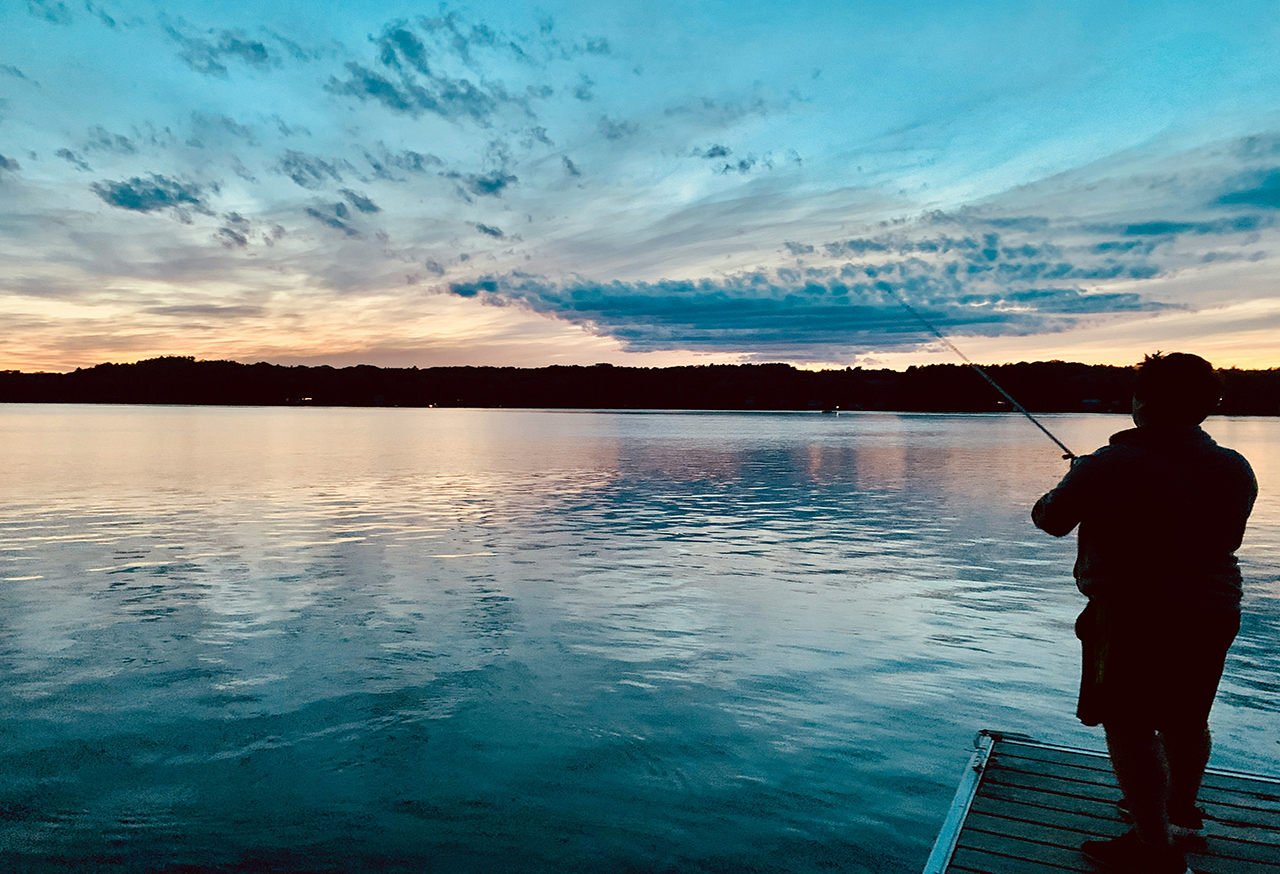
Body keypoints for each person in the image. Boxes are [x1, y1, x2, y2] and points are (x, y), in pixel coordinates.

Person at [1031, 352, 1257, 874]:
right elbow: (1225, 534)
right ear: (1209, 405)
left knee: (1129, 726)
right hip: (1213, 610)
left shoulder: (1107, 465)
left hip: (1131, 615)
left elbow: (1050, 519)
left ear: (1142, 401)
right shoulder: (1233, 466)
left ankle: (1154, 849)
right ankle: (1180, 814)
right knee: (1187, 718)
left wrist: (1078, 481)